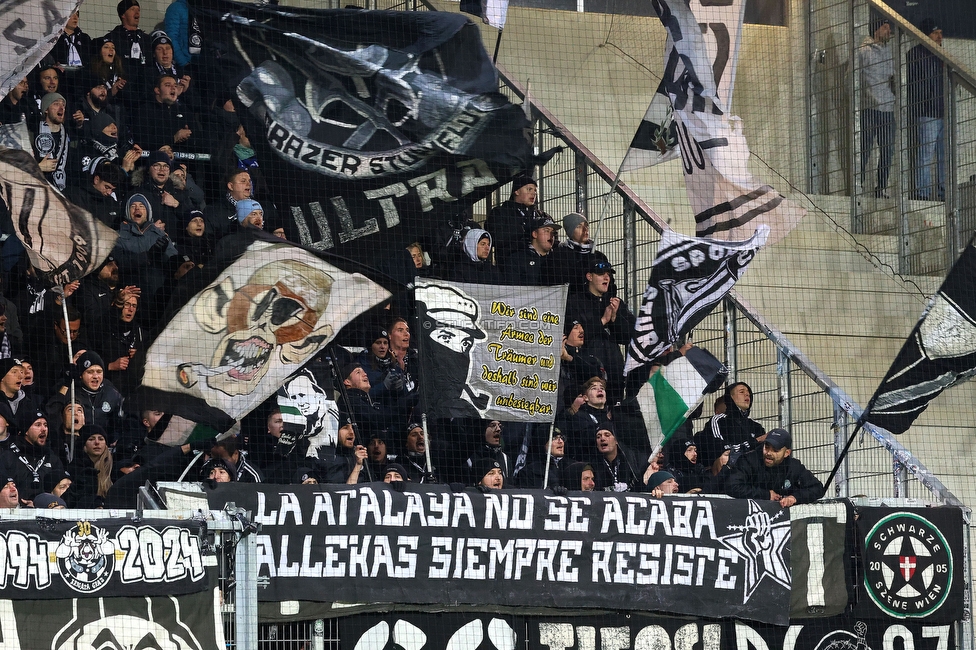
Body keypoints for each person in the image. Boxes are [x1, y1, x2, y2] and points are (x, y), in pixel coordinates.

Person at [564, 258, 635, 405]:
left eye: (608, 274)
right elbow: (575, 336)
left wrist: (615, 319)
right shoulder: (575, 302)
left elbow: (629, 337)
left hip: (615, 372)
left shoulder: (615, 302)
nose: (606, 277)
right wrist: (602, 321)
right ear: (589, 277)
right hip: (588, 373)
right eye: (601, 274)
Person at [727, 428, 824, 507]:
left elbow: (818, 488)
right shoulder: (748, 460)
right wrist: (766, 495)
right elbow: (732, 486)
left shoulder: (794, 466)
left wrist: (794, 498)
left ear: (787, 453)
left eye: (775, 450)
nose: (769, 453)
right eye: (767, 447)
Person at [907, 19, 945, 201]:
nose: (939, 37)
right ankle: (921, 192)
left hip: (943, 111)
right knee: (926, 153)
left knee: (944, 154)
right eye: (936, 33)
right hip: (927, 111)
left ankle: (943, 190)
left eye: (940, 33)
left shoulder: (942, 55)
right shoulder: (916, 54)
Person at [859, 18, 895, 198]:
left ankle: (881, 188)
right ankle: (859, 186)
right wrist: (862, 99)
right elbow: (849, 80)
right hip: (869, 108)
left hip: (888, 109)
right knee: (864, 150)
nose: (889, 31)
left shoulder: (889, 52)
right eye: (885, 27)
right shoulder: (863, 51)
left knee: (887, 151)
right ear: (876, 29)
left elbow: (892, 77)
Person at [700, 382, 765, 465]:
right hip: (728, 472)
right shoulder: (719, 421)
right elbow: (721, 450)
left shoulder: (756, 426)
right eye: (742, 392)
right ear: (731, 397)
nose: (747, 394)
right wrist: (755, 441)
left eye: (748, 393)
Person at [486, 174, 538, 267]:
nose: (533, 193)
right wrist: (523, 230)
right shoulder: (500, 212)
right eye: (529, 189)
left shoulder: (540, 215)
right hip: (509, 266)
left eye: (535, 190)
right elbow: (494, 237)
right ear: (517, 191)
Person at [504, 212, 560, 285]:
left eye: (553, 232)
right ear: (535, 234)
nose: (551, 235)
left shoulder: (558, 259)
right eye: (546, 231)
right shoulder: (517, 259)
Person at [66, 424, 113, 508]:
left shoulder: (114, 469)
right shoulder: (74, 470)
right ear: (84, 446)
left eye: (101, 439)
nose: (97, 442)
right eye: (91, 439)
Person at [32, 93, 70, 190]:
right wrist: (38, 168)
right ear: (46, 110)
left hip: (61, 192)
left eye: (63, 105)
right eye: (56, 104)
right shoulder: (32, 135)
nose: (61, 108)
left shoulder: (69, 138)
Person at [591, 423, 644, 492]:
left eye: (607, 435)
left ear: (616, 440)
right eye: (598, 437)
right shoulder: (592, 465)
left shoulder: (631, 461)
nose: (602, 439)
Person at [104, 0, 150, 72]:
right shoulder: (113, 38)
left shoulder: (147, 39)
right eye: (132, 9)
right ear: (123, 15)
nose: (137, 13)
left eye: (138, 10)